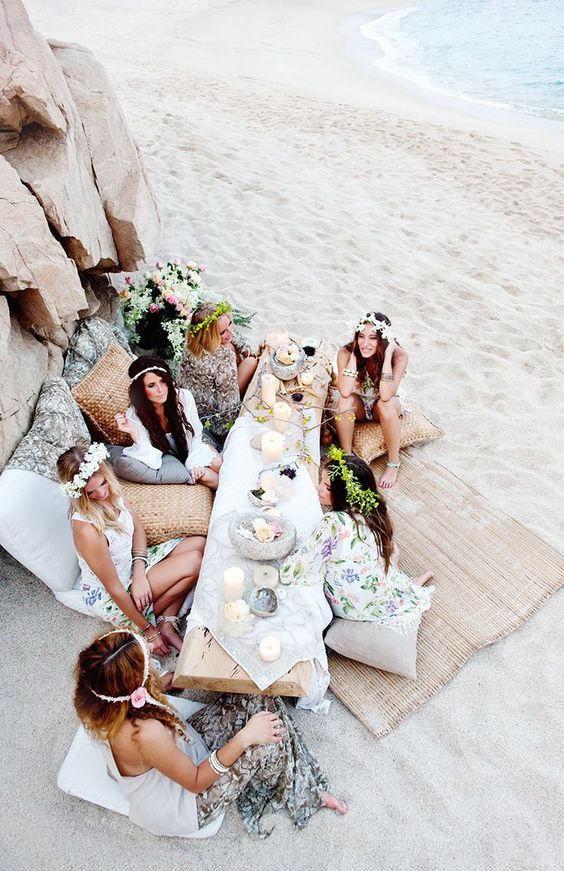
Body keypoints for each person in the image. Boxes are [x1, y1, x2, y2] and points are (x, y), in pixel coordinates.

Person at [74, 628, 347, 837]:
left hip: (180, 750)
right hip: (186, 802)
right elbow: (195, 782)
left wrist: (161, 686)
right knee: (268, 740)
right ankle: (304, 795)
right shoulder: (145, 732)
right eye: (145, 655)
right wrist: (243, 738)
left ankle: (294, 773)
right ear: (134, 684)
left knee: (260, 698)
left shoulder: (102, 703)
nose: (150, 645)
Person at [58, 443, 205, 654]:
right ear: (80, 494)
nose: (101, 493)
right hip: (114, 594)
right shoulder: (86, 529)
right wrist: (148, 631)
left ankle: (167, 621)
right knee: (194, 562)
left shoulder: (111, 490)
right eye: (91, 492)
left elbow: (138, 529)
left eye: (102, 483)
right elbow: (114, 588)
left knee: (200, 544)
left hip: (133, 566)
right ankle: (152, 624)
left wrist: (139, 574)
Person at [280, 448, 433, 630]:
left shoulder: (333, 522)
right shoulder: (372, 509)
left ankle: (399, 581)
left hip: (353, 608)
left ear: (344, 493)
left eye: (327, 487)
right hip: (377, 591)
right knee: (386, 557)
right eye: (321, 481)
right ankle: (403, 583)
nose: (318, 488)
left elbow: (292, 572)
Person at [112, 356, 222, 489]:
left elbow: (196, 434)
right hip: (172, 460)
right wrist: (134, 433)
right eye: (151, 385)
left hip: (194, 448)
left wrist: (194, 462)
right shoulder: (134, 415)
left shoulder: (183, 397)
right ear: (141, 390)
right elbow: (151, 458)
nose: (160, 389)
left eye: (163, 381)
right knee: (205, 476)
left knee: (217, 463)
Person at [335, 311, 408, 489]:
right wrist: (354, 355)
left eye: (373, 338)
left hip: (383, 404)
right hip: (360, 404)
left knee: (385, 404)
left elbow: (386, 394)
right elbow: (344, 391)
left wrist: (387, 356)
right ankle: (347, 456)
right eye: (361, 336)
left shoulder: (399, 356)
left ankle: (393, 463)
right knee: (344, 402)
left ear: (383, 339)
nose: (365, 343)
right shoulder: (346, 352)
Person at [178, 301, 258, 441]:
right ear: (209, 336)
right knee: (251, 362)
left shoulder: (190, 344)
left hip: (191, 403)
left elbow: (229, 337)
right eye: (222, 332)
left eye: (230, 324)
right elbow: (228, 407)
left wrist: (241, 348)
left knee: (230, 346)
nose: (230, 332)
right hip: (213, 416)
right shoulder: (224, 359)